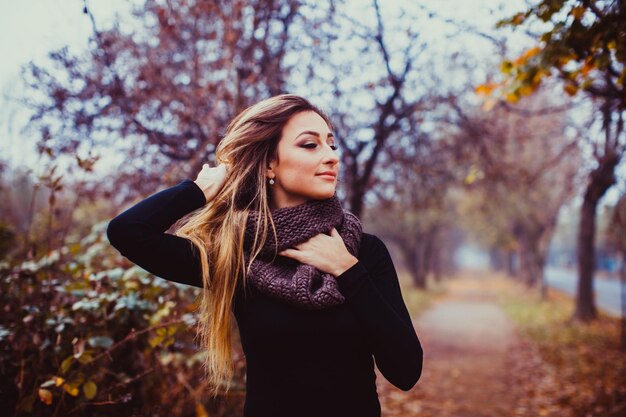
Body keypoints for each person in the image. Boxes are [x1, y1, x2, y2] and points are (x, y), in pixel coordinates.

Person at [106, 94, 423, 417]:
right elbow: (128, 232)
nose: (331, 156)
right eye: (310, 145)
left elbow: (406, 371)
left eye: (331, 144)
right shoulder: (237, 256)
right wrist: (199, 190)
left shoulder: (363, 251)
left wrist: (348, 270)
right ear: (270, 164)